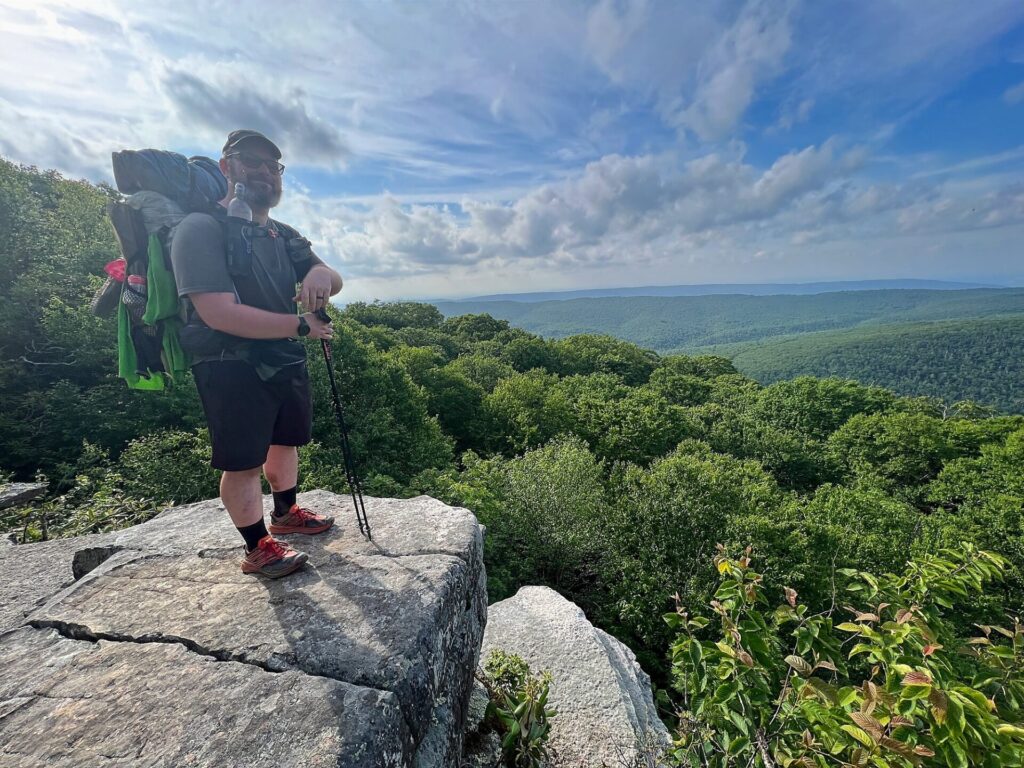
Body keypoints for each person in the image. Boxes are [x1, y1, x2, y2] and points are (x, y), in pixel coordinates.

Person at [170, 129, 343, 578]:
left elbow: (332, 278)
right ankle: (257, 546)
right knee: (243, 459)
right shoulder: (200, 228)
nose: (265, 172)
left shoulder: (282, 234)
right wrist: (301, 325)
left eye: (273, 166)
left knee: (286, 440)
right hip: (228, 362)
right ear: (226, 166)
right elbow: (218, 313)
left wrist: (321, 274)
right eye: (252, 161)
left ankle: (286, 513)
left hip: (281, 357)